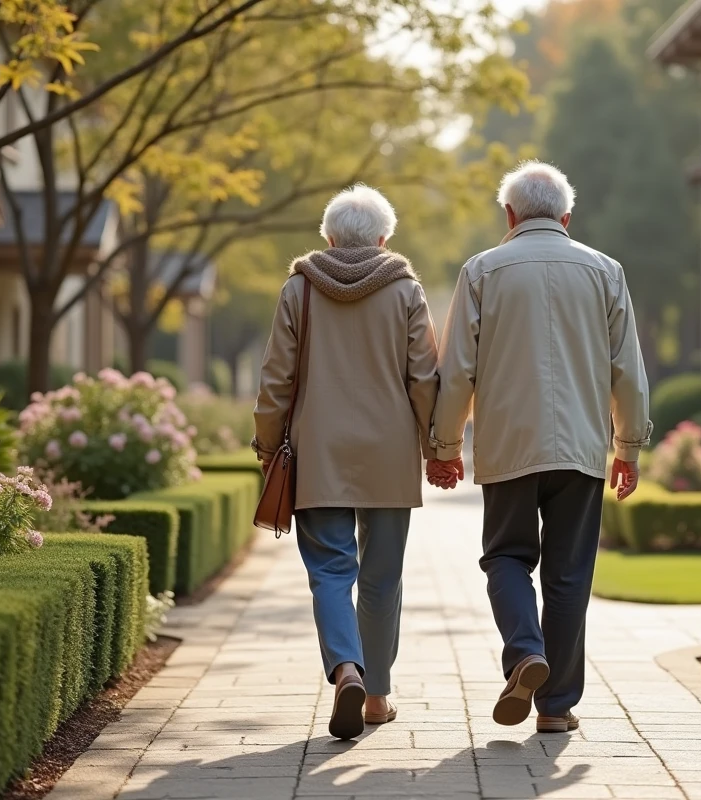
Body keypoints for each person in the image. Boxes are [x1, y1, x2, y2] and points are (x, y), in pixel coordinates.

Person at [427, 161, 652, 734]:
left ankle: (526, 652)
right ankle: (555, 706)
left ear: (509, 214)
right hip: (580, 445)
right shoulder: (606, 271)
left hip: (508, 444)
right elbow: (626, 370)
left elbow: (457, 370)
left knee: (505, 556)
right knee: (570, 572)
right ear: (567, 216)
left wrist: (446, 444)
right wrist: (627, 445)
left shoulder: (481, 271)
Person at [253, 185, 439, 740]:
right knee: (382, 578)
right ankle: (377, 698)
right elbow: (424, 378)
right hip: (388, 453)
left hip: (320, 452)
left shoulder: (298, 289)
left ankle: (346, 670)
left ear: (329, 238)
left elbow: (275, 380)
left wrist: (267, 445)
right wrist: (437, 448)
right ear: (384, 239)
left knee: (331, 573)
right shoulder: (405, 289)